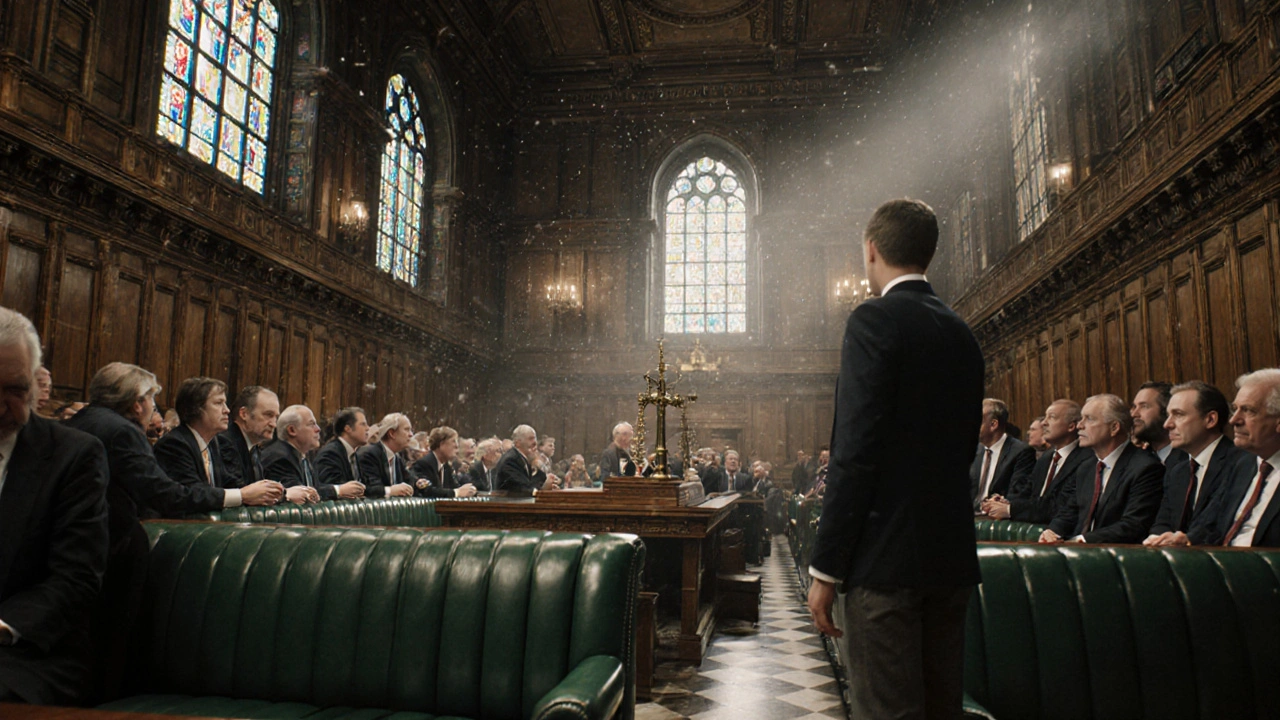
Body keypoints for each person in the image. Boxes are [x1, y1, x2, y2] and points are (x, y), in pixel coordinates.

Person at [806, 199, 984, 720]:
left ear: (871, 250)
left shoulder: (875, 320)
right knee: (938, 708)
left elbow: (855, 454)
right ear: (929, 253)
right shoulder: (960, 332)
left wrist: (827, 569)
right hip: (948, 560)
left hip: (886, 564)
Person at [0, 308, 109, 705]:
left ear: (34, 383)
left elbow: (76, 576)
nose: (0, 406)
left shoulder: (72, 455)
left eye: (14, 389)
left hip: (27, 651)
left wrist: (4, 626)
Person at [1156, 369, 1280, 548]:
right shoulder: (1243, 465)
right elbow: (1211, 525)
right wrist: (1188, 539)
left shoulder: (1232, 459)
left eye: (1249, 411)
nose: (1234, 420)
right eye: (1235, 409)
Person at [1039, 394, 1163, 543]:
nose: (1080, 425)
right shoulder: (1086, 467)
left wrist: (1082, 540)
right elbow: (1071, 510)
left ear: (1114, 427)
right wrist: (1053, 531)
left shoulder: (1145, 467)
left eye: (1089, 419)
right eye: (1081, 419)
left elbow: (1134, 525)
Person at [1142, 381, 1246, 542]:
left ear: (1210, 419)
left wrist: (1186, 541)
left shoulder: (1239, 463)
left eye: (1178, 414)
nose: (1167, 424)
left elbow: (1215, 524)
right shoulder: (1178, 471)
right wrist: (1156, 540)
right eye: (1168, 415)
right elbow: (1163, 522)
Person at [983, 400, 1091, 524]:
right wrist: (1005, 502)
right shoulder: (1046, 458)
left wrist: (1010, 509)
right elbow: (1027, 494)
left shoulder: (1086, 460)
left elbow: (1059, 505)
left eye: (1051, 417)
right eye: (1045, 417)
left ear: (1071, 427)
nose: (1044, 423)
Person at [970, 398, 1035, 511]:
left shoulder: (1021, 452)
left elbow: (1017, 495)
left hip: (997, 519)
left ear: (993, 424)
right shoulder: (975, 450)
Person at [259, 405, 327, 503]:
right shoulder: (280, 458)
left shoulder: (301, 457)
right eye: (311, 424)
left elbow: (315, 488)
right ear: (292, 430)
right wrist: (338, 491)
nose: (318, 429)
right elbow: (302, 495)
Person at [217, 385, 278, 486]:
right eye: (268, 415)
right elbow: (240, 491)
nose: (273, 424)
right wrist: (283, 494)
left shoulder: (254, 449)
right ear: (244, 414)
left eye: (276, 417)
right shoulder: (226, 443)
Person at [356, 413, 417, 498]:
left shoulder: (397, 458)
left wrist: (418, 483)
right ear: (391, 433)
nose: (411, 434)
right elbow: (369, 489)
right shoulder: (369, 454)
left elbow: (410, 480)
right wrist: (391, 490)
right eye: (407, 429)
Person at [407, 425, 477, 498]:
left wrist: (469, 490)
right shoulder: (424, 464)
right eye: (453, 441)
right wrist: (456, 492)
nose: (457, 446)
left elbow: (455, 486)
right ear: (441, 444)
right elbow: (428, 491)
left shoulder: (446, 467)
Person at [313, 406, 369, 495]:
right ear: (348, 428)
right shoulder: (331, 454)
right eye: (363, 424)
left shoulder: (353, 454)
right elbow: (330, 488)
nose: (367, 428)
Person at [1132, 381, 1184, 465]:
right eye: (1134, 407)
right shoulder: (1135, 460)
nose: (1134, 414)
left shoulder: (1187, 460)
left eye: (1144, 406)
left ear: (1166, 412)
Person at [497, 425, 560, 493]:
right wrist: (543, 488)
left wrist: (549, 480)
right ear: (517, 443)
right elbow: (522, 489)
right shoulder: (510, 460)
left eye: (535, 438)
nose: (535, 443)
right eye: (530, 439)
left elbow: (531, 483)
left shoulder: (523, 459)